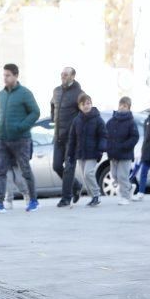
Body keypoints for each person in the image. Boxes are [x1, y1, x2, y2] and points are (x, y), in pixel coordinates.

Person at [0, 64, 40, 214]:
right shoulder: (1, 94)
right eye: (4, 75)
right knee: (0, 171)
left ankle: (33, 201)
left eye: (8, 75)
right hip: (3, 139)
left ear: (16, 76)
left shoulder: (25, 93)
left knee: (25, 170)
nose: (5, 78)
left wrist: (21, 126)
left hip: (21, 139)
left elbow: (35, 112)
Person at [66, 94, 107, 207]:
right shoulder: (76, 120)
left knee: (88, 173)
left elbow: (103, 135)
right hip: (81, 153)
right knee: (84, 176)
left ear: (91, 104)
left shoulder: (98, 119)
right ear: (79, 106)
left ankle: (96, 195)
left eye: (88, 103)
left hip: (93, 152)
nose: (86, 106)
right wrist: (70, 154)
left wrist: (101, 149)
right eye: (83, 104)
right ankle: (93, 197)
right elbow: (72, 139)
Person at [51, 67, 84, 207]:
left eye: (66, 74)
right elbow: (52, 105)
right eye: (62, 74)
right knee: (57, 166)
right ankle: (76, 186)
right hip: (58, 136)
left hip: (72, 139)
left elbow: (84, 114)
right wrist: (53, 118)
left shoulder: (79, 93)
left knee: (69, 167)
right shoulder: (56, 91)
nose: (63, 76)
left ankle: (66, 198)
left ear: (73, 76)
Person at [105, 97, 139, 205]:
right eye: (121, 105)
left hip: (125, 154)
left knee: (122, 176)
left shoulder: (131, 122)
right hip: (113, 154)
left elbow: (135, 137)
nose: (122, 108)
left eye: (125, 106)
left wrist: (125, 146)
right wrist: (107, 147)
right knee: (114, 175)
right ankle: (129, 187)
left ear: (129, 108)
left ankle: (125, 196)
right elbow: (106, 136)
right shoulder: (111, 121)